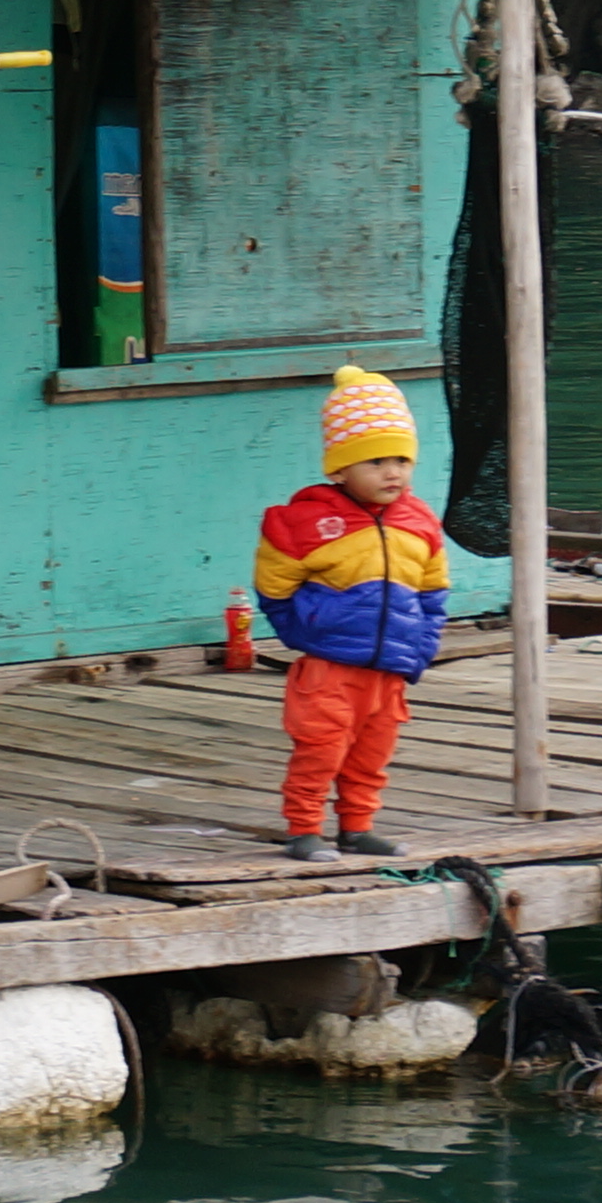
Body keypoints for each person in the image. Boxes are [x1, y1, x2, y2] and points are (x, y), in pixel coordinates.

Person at [250, 368, 450, 860]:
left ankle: (357, 826)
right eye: (375, 460)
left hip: (389, 671)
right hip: (329, 669)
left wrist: (421, 647)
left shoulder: (419, 521)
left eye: (402, 459)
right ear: (339, 470)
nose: (393, 472)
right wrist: (305, 633)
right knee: (320, 750)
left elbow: (433, 591)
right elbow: (274, 587)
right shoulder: (305, 523)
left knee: (371, 755)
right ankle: (305, 829)